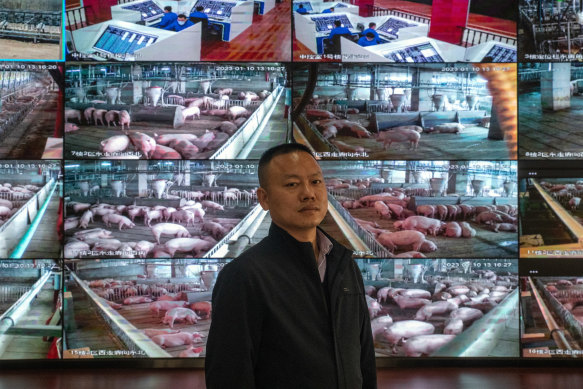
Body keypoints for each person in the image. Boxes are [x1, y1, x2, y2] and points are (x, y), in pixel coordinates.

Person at [205, 143, 377, 389]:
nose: (308, 193)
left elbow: (364, 359)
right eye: (292, 184)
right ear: (264, 199)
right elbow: (228, 376)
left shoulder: (344, 264)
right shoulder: (244, 276)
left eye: (316, 182)